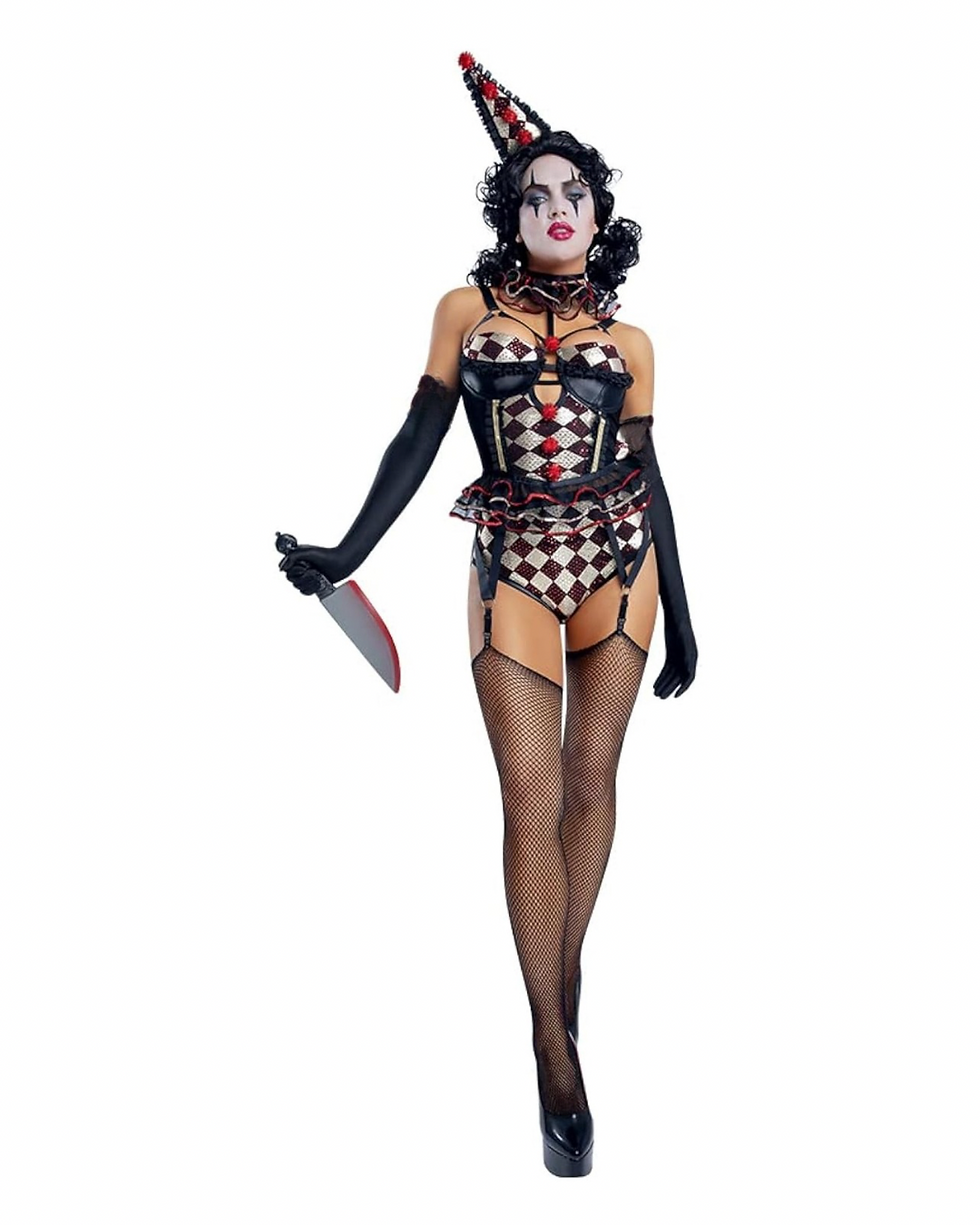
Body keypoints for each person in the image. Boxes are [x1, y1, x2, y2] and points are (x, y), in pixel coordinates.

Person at [279, 51, 697, 1178]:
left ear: (600, 215)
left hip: (619, 563)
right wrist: (347, 550)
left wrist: (689, 611)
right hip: (511, 560)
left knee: (594, 782)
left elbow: (651, 478)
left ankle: (563, 970)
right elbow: (418, 435)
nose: (555, 207)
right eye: (533, 194)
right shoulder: (465, 313)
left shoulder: (632, 342)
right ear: (509, 215)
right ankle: (553, 1046)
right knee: (530, 793)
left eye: (573, 192)